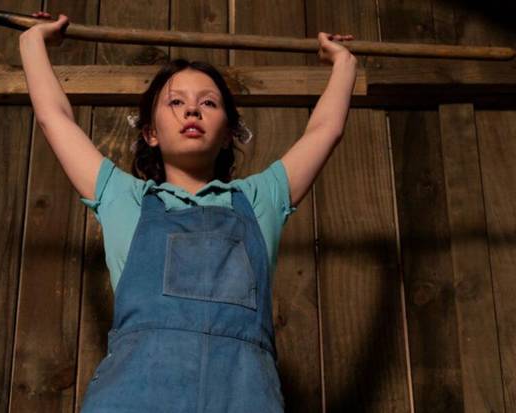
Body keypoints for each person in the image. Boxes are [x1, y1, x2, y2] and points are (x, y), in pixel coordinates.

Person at [19, 10, 357, 413]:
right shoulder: (122, 198)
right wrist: (33, 42)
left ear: (230, 131)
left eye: (208, 103)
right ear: (151, 132)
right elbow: (53, 117)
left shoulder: (260, 198)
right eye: (175, 102)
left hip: (244, 398)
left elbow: (326, 130)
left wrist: (344, 62)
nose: (192, 111)